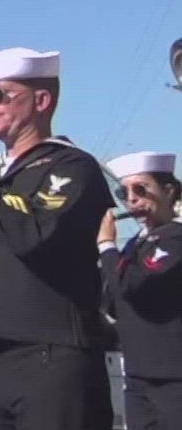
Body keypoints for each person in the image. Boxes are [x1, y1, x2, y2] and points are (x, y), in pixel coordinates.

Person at [0, 47, 114, 430]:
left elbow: (32, 234)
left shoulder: (70, 165)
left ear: (41, 101)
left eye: (1, 94)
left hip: (53, 354)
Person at [99, 151, 182, 430]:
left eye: (141, 189)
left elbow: (135, 285)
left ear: (169, 191)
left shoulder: (175, 239)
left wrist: (107, 247)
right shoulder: (135, 244)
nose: (132, 200)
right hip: (138, 371)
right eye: (124, 193)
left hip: (173, 374)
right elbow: (112, 300)